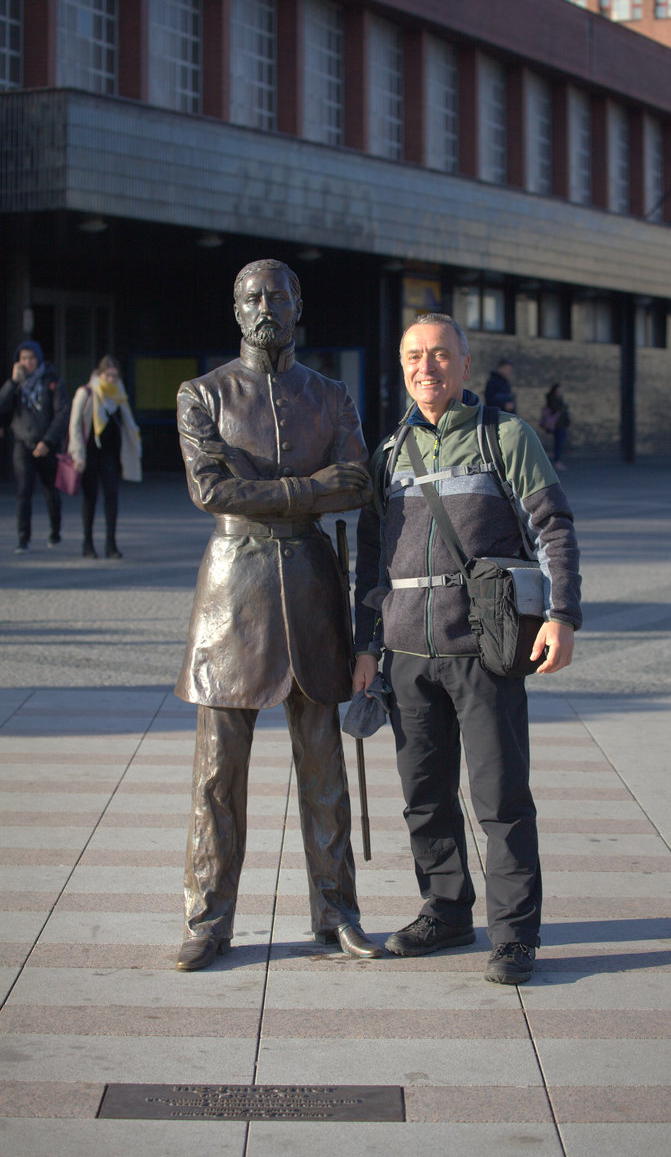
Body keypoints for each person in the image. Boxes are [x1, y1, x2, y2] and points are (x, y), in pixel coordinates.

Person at [353, 314, 581, 985]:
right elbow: (370, 558)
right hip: (405, 654)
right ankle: (445, 909)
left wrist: (561, 615)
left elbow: (552, 527)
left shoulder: (504, 437)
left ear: (463, 362)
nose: (428, 367)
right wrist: (367, 643)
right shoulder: (389, 452)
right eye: (415, 357)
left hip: (484, 647)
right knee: (423, 796)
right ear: (402, 368)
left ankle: (514, 936)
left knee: (500, 797)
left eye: (440, 355)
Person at [174, 258, 380, 972]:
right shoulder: (202, 393)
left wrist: (269, 490)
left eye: (277, 296)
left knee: (325, 770)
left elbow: (353, 483)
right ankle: (208, 920)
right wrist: (307, 489)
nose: (265, 307)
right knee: (216, 777)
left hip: (314, 594)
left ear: (298, 307)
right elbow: (210, 489)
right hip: (233, 599)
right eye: (252, 297)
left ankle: (338, 911)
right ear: (236, 311)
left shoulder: (329, 394)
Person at [68, 356, 142, 558]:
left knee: (112, 496)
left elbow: (128, 423)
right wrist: (77, 454)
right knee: (90, 498)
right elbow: (74, 425)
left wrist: (135, 446)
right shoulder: (86, 393)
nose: (111, 379)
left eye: (115, 376)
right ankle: (88, 543)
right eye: (108, 375)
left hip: (110, 454)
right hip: (89, 453)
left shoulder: (118, 394)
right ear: (99, 374)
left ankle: (111, 545)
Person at [0, 341, 69, 553]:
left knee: (50, 490)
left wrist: (47, 441)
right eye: (23, 359)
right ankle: (23, 538)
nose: (27, 363)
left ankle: (55, 531)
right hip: (23, 442)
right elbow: (2, 407)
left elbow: (62, 413)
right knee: (23, 492)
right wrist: (12, 382)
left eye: (31, 358)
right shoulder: (17, 384)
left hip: (47, 443)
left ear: (38, 358)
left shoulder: (52, 381)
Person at [540, 382, 570, 471]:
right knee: (558, 443)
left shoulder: (559, 398)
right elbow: (557, 409)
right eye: (560, 389)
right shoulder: (553, 399)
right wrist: (564, 406)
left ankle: (557, 460)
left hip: (561, 424)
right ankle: (557, 461)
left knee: (559, 443)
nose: (561, 391)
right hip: (557, 424)